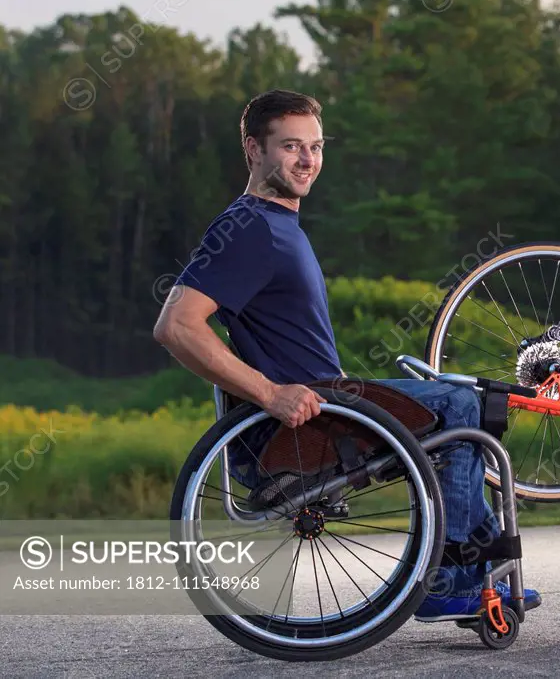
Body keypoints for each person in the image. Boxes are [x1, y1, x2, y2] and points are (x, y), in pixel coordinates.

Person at [152, 89, 540, 621]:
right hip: (305, 424)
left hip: (329, 405)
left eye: (315, 146)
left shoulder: (277, 224)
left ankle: (473, 573)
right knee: (461, 406)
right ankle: (447, 579)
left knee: (466, 399)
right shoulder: (248, 229)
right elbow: (176, 326)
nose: (308, 159)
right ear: (253, 150)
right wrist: (270, 393)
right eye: (291, 146)